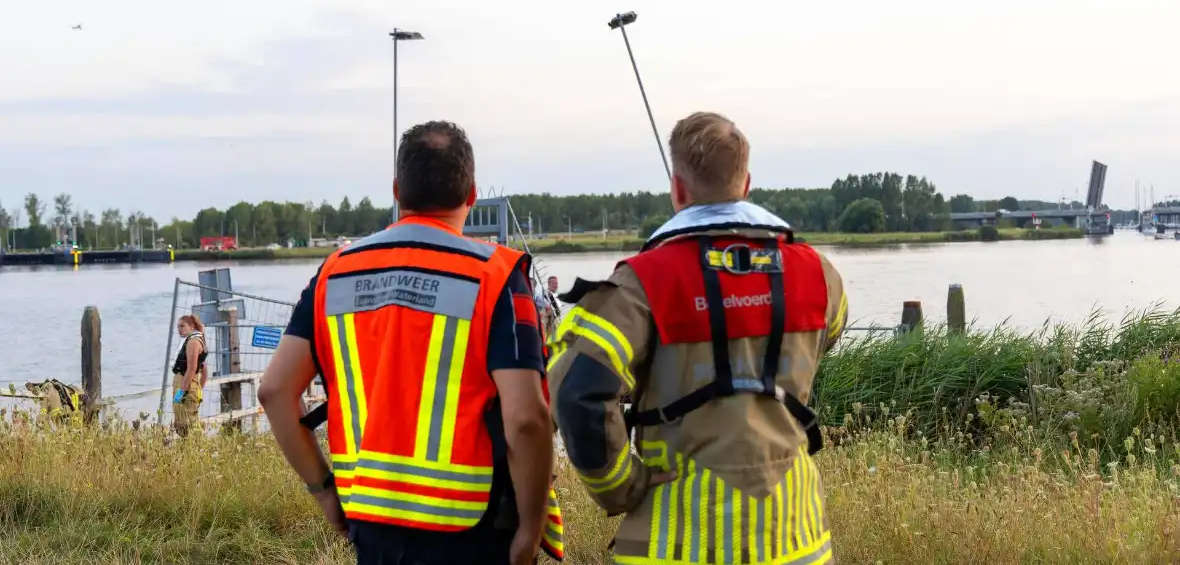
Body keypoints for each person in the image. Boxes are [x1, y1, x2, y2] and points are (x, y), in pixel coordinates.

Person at [547, 111, 849, 564]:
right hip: (797, 542)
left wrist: (622, 488)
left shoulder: (641, 283)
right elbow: (827, 337)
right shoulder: (820, 274)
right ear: (747, 185)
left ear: (679, 190)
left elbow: (575, 391)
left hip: (676, 545)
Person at [258, 120, 561, 565]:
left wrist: (324, 491)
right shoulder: (495, 276)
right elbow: (527, 420)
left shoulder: (334, 273)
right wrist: (531, 530)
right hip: (470, 528)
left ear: (397, 191)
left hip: (371, 520)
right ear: (472, 195)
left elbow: (274, 391)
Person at [171, 314, 208, 437]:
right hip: (191, 384)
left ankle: (196, 450)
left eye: (182, 326)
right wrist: (198, 387)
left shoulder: (193, 341)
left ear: (192, 326)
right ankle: (191, 449)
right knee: (185, 421)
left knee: (186, 422)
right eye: (178, 326)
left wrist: (181, 392)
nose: (179, 329)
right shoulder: (198, 339)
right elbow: (204, 368)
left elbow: (192, 369)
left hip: (185, 383)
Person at [534, 275, 562, 341]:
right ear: (549, 284)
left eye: (556, 283)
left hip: (555, 323)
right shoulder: (544, 295)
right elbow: (542, 310)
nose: (556, 285)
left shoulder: (555, 296)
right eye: (554, 283)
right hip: (548, 324)